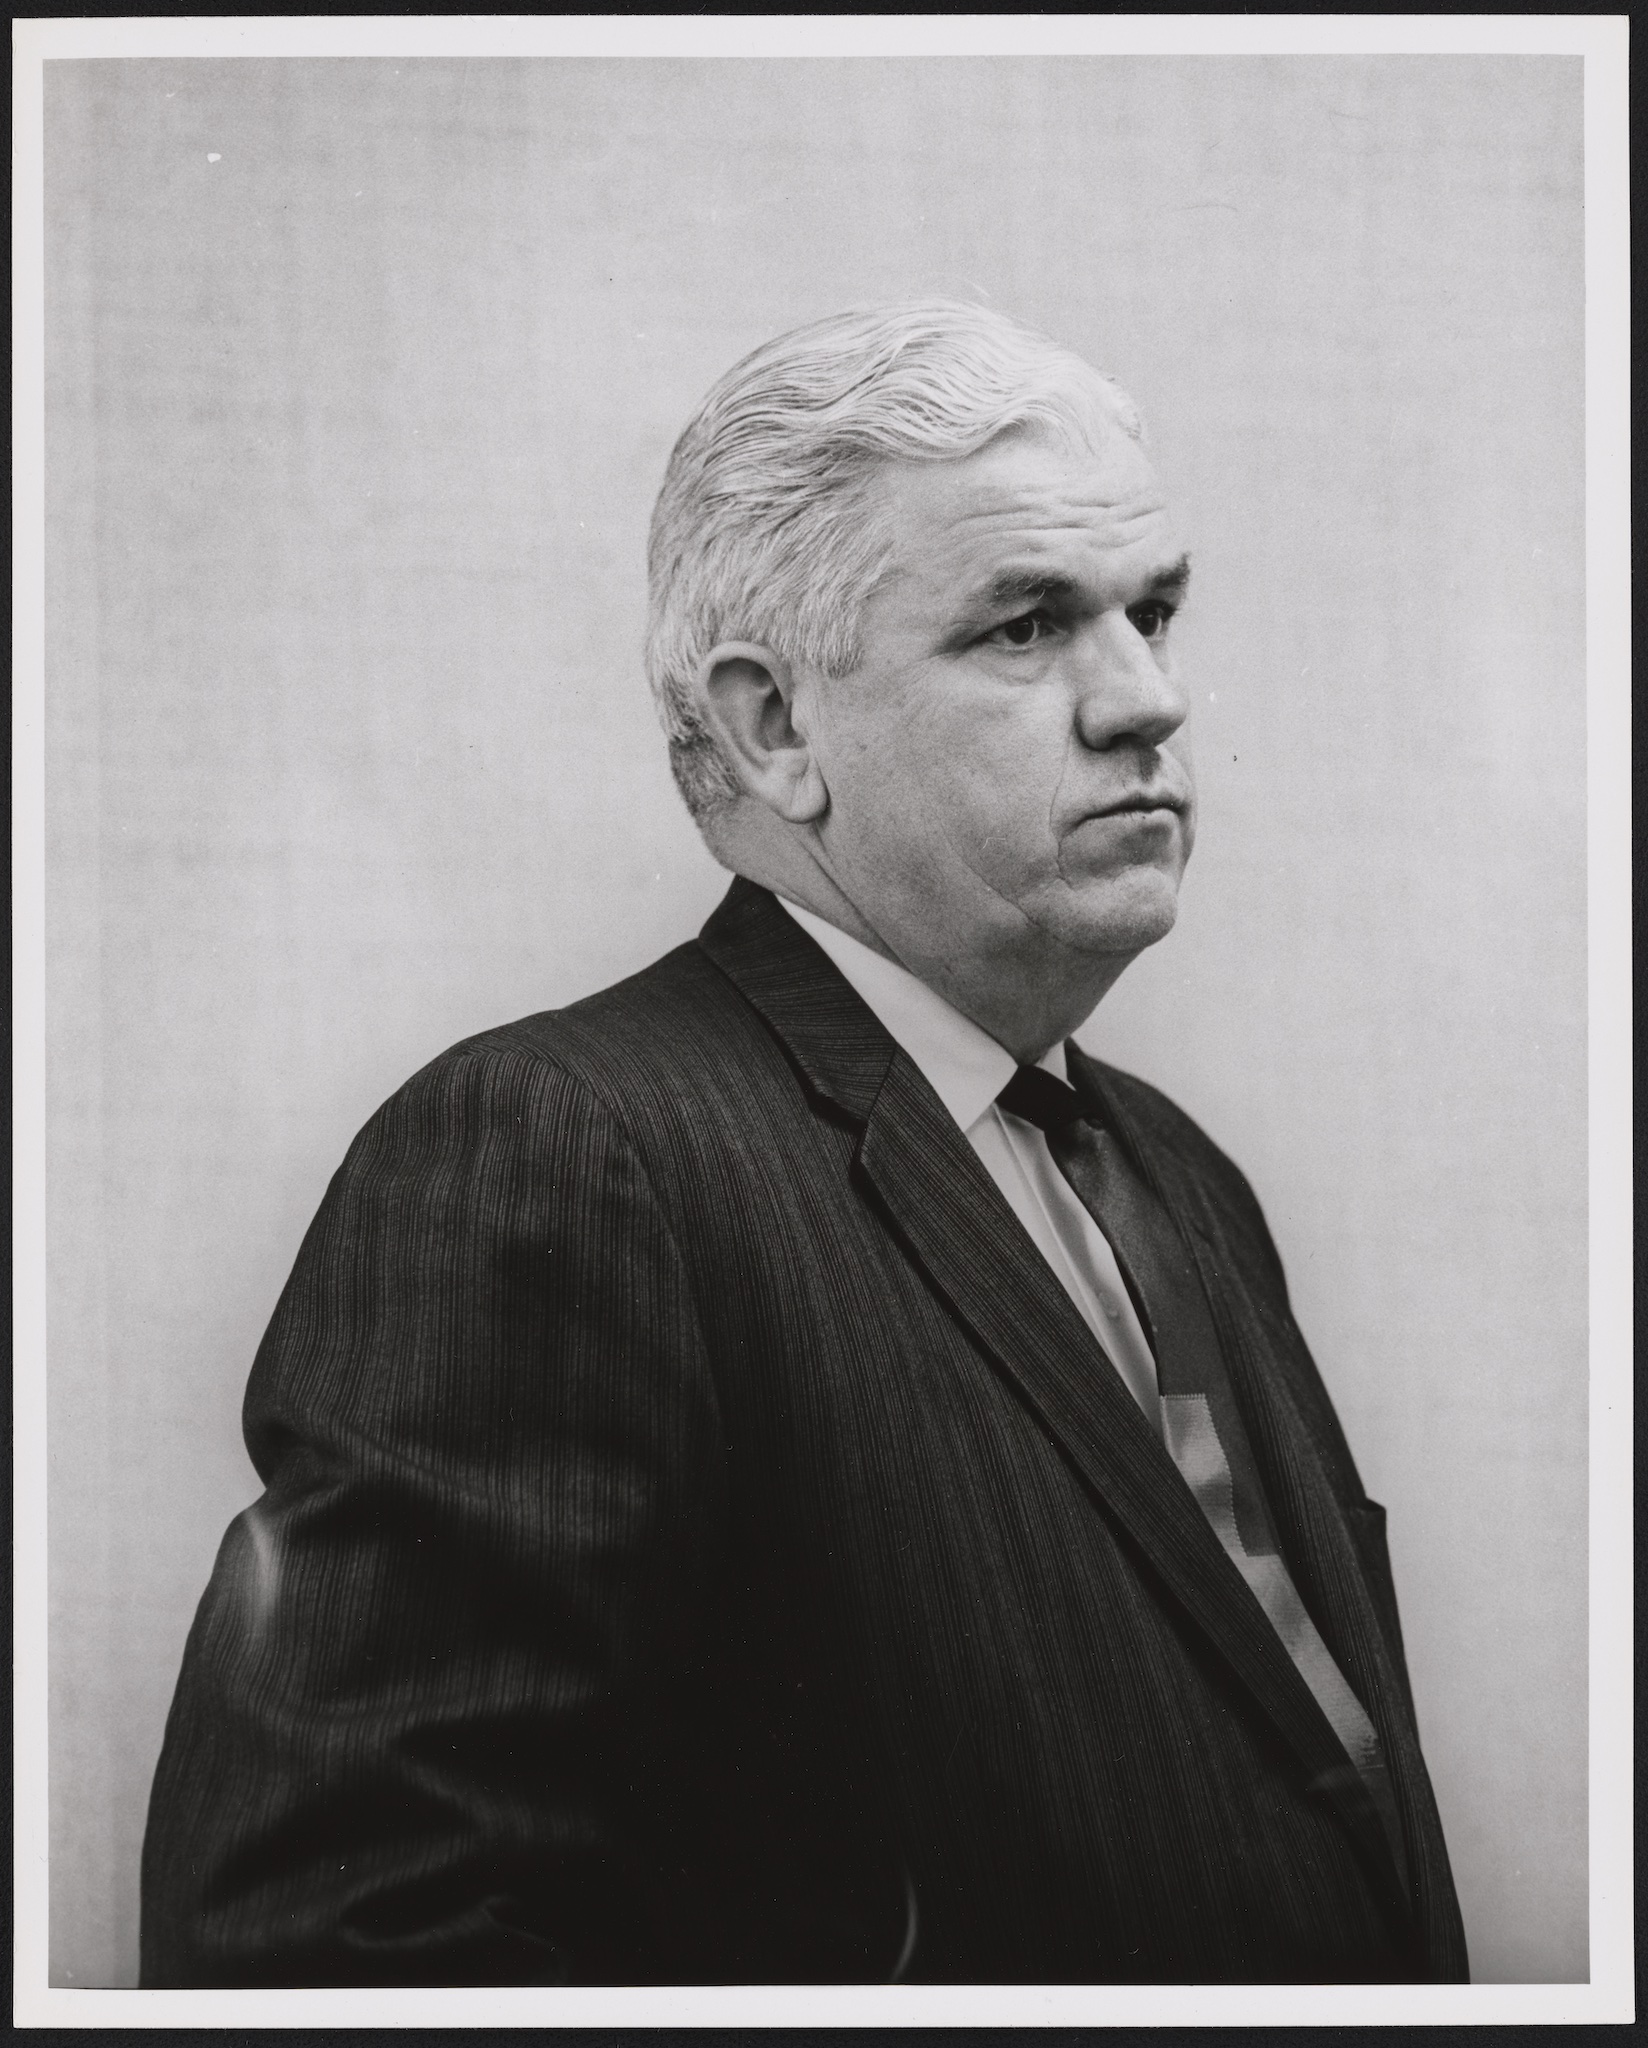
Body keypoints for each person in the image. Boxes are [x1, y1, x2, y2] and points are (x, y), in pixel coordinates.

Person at [140, 300, 1468, 1986]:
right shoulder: (562, 1152)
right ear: (776, 730)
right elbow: (324, 1951)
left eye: (1154, 610)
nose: (1149, 698)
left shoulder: (1183, 1177)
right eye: (1025, 626)